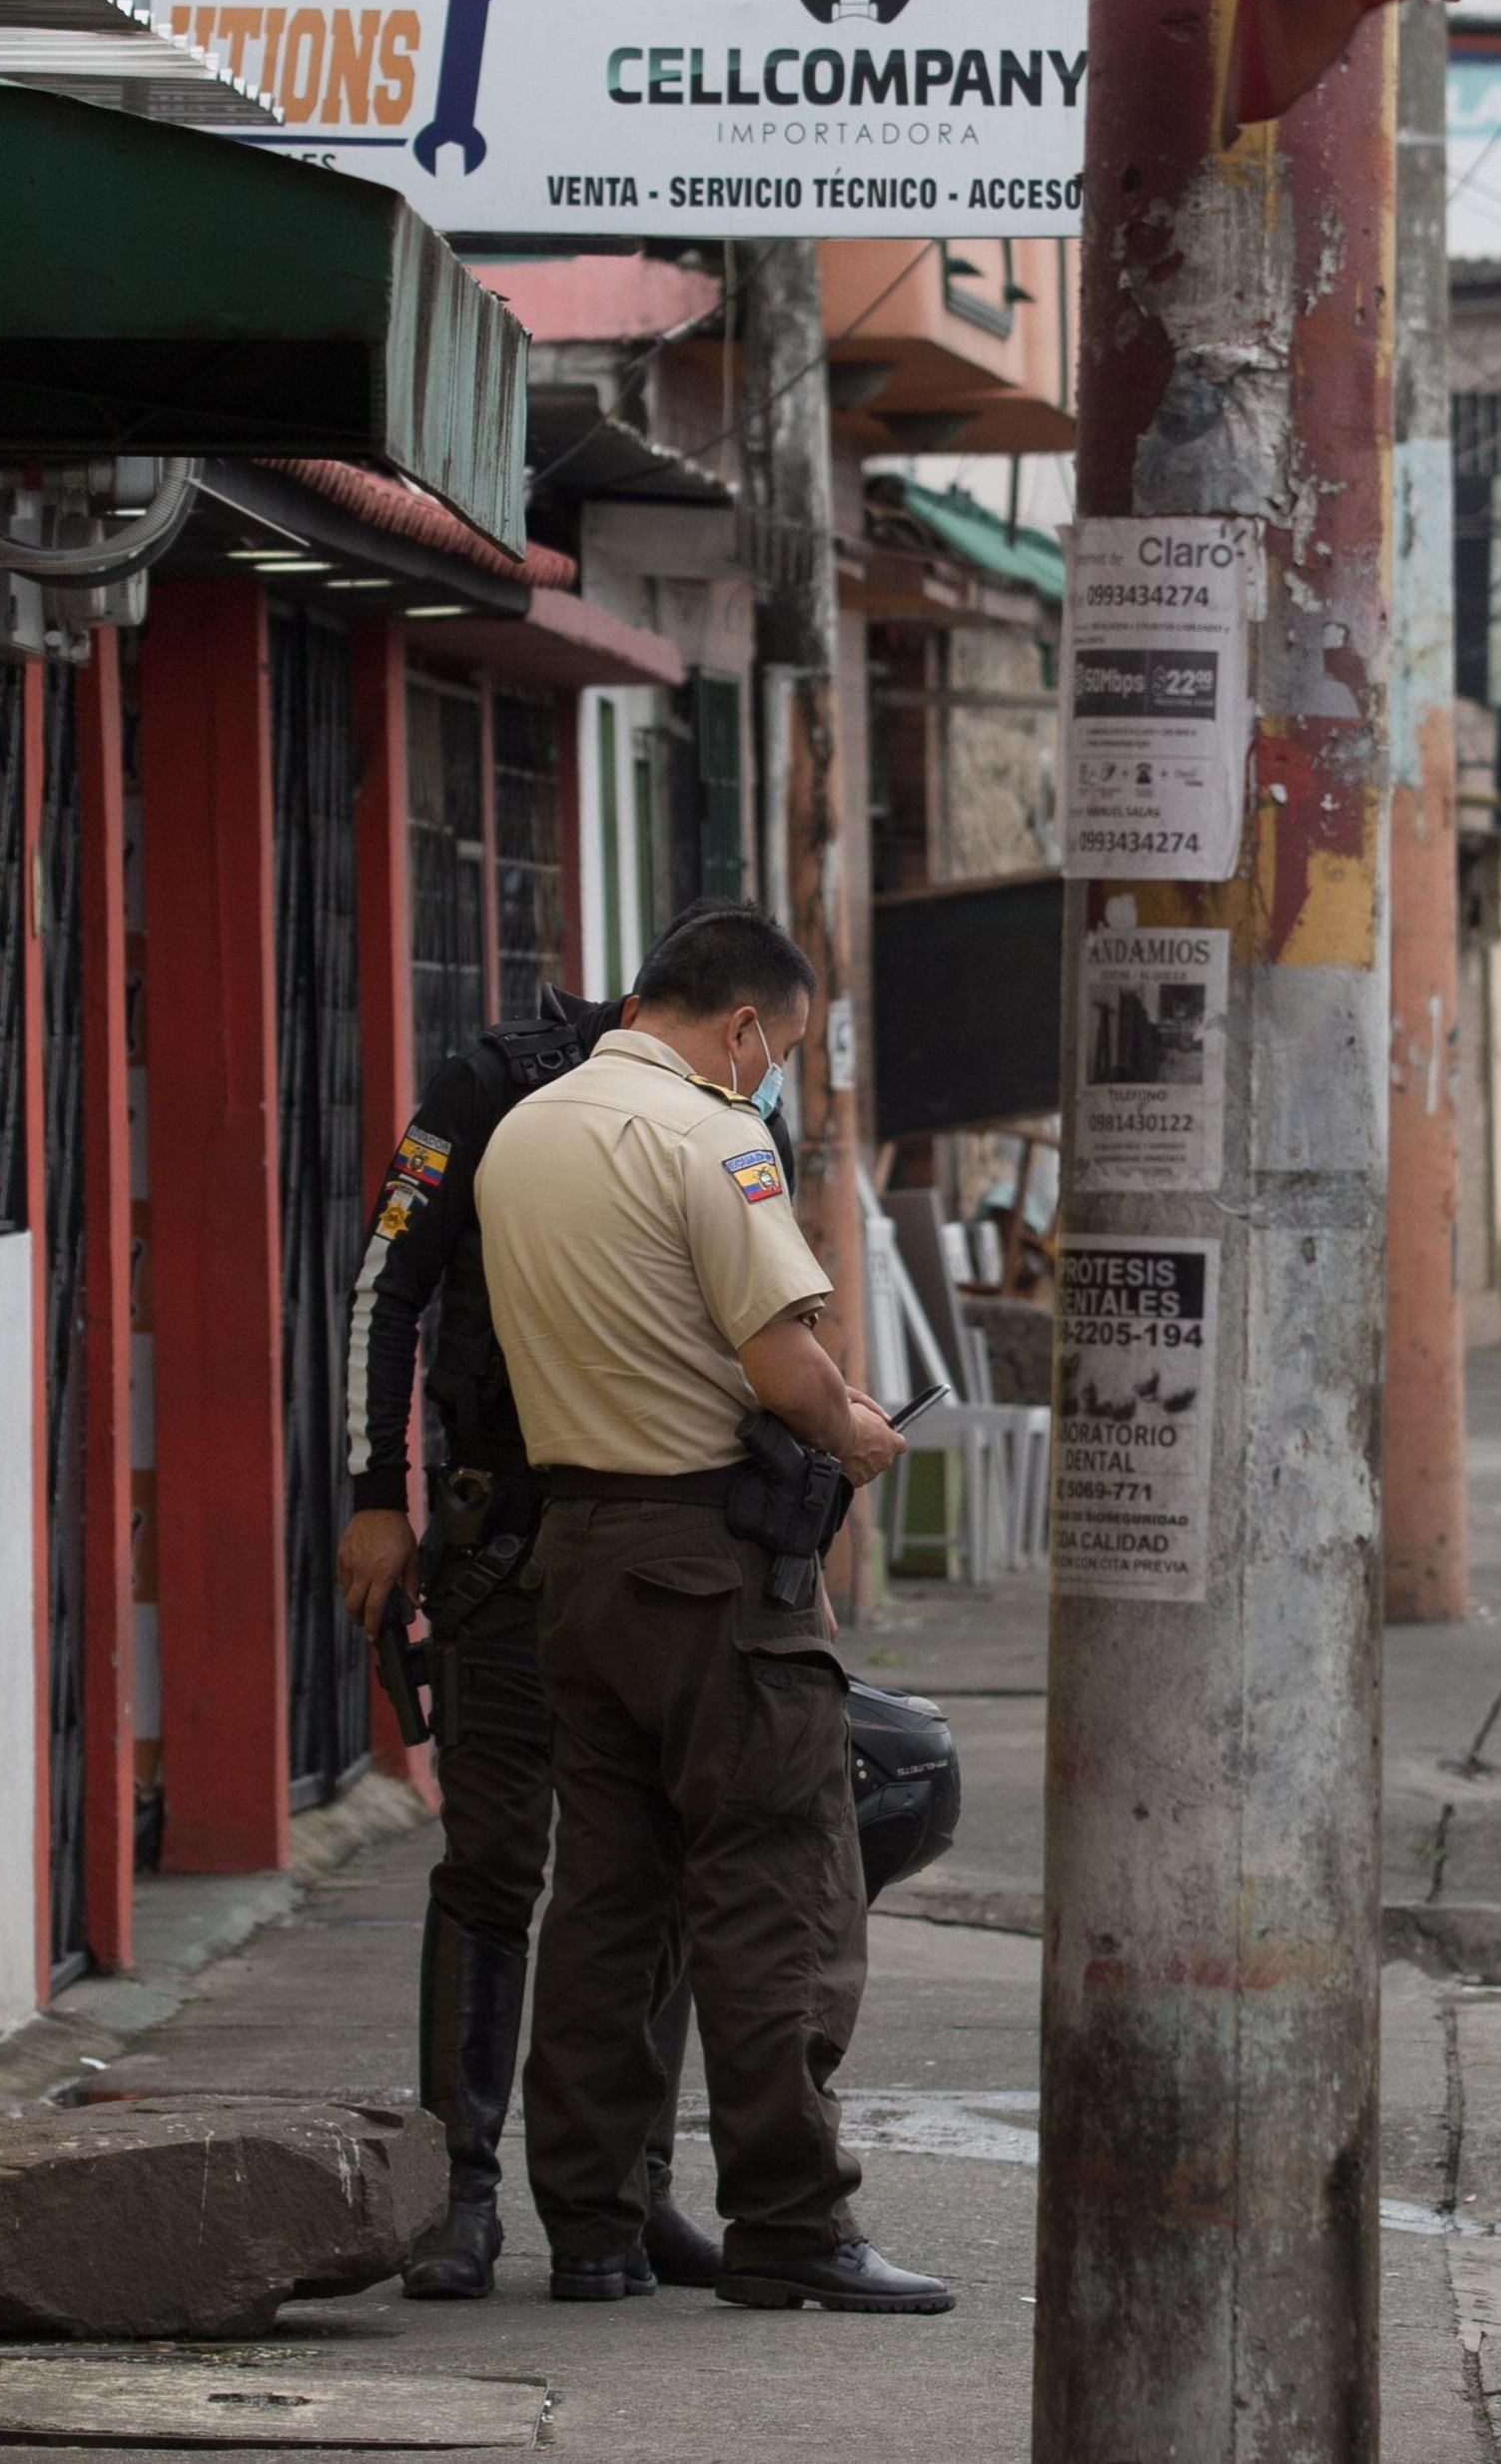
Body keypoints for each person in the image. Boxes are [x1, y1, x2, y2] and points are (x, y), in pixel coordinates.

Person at [474, 902, 951, 2312]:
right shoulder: (708, 1132)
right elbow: (779, 1358)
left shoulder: (526, 1131)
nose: (774, 1079)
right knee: (777, 1890)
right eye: (782, 1051)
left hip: (575, 1554)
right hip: (708, 1571)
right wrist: (858, 1430)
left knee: (609, 1901)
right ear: (743, 1023)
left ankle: (593, 2225)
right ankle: (792, 2226)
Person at [335, 979, 722, 2302]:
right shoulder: (493, 1087)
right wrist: (373, 1502)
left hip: (670, 1546)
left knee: (652, 1873)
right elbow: (387, 1288)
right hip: (509, 1545)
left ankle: (631, 2194)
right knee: (496, 1859)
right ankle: (462, 2193)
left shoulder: (722, 1105)